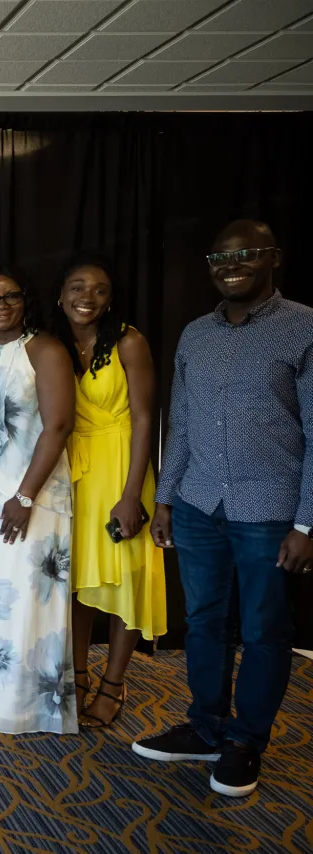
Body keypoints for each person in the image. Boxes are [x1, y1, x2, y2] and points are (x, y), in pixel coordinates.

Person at [135, 219, 313, 799]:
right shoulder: (195, 335)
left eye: (246, 254)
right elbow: (179, 424)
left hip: (271, 512)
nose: (230, 264)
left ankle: (244, 743)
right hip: (197, 504)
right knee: (205, 621)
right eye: (219, 256)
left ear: (274, 258)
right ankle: (207, 727)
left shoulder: (304, 327)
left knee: (264, 629)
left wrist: (307, 523)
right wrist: (165, 499)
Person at [0, 265, 78, 735]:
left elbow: (59, 426)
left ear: (26, 300)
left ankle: (23, 708)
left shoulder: (44, 349)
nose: (0, 304)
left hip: (33, 495)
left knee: (26, 599)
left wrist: (24, 496)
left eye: (10, 296)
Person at [49, 253, 166, 728]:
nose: (87, 297)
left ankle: (113, 684)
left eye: (98, 289)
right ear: (61, 297)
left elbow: (144, 419)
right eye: (77, 287)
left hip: (122, 468)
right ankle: (77, 677)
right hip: (73, 471)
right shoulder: (54, 344)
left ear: (110, 297)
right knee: (76, 582)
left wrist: (131, 493)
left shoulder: (128, 342)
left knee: (123, 582)